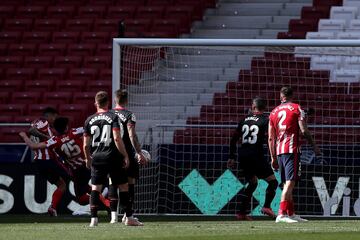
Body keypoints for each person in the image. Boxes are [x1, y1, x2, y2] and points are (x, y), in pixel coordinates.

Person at [19, 117, 110, 209]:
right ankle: (105, 199)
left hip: (76, 170)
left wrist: (24, 136)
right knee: (90, 186)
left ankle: (105, 201)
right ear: (66, 127)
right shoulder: (75, 131)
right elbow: (91, 129)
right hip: (88, 164)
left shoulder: (55, 141)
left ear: (55, 129)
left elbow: (33, 146)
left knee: (81, 199)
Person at [83, 91, 142, 227]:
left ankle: (94, 220)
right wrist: (126, 155)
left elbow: (86, 144)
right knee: (123, 186)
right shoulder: (113, 116)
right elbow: (117, 138)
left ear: (95, 103)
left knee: (95, 188)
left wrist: (87, 159)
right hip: (112, 156)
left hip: (96, 156)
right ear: (108, 103)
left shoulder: (88, 119)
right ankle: (129, 217)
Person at [268, 86, 321, 223]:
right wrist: (314, 146)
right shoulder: (297, 108)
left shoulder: (273, 112)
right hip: (292, 150)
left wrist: (273, 157)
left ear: (281, 97)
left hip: (279, 151)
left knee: (287, 182)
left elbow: (270, 138)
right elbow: (303, 130)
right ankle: (281, 213)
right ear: (292, 96)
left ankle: (290, 213)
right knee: (291, 182)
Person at [228, 97, 278, 220]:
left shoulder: (243, 120)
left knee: (252, 183)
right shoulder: (265, 120)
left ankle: (241, 213)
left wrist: (232, 157)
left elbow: (234, 139)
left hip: (243, 156)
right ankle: (267, 206)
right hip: (256, 155)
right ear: (264, 108)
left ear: (253, 107)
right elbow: (271, 137)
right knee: (273, 182)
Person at [111, 89, 146, 224]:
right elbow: (132, 135)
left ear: (115, 99)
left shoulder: (109, 114)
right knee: (130, 183)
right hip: (127, 152)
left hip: (112, 152)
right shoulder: (129, 115)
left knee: (113, 182)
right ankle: (127, 215)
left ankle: (114, 217)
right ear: (126, 100)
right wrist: (139, 152)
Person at [26, 110, 70, 217]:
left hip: (39, 162)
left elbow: (31, 130)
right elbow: (32, 130)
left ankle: (53, 207)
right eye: (54, 116)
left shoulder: (39, 125)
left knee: (62, 185)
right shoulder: (44, 124)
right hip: (49, 160)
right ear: (49, 116)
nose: (55, 119)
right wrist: (46, 137)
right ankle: (100, 198)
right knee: (74, 176)